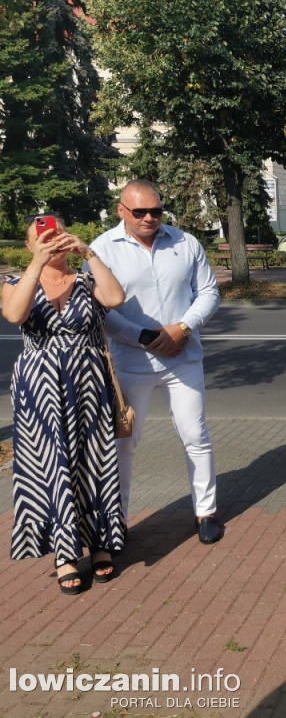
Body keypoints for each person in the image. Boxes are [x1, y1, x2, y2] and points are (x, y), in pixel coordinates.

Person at [87, 180, 223, 544]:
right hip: (131, 362)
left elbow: (209, 291)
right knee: (124, 444)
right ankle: (117, 522)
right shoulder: (102, 249)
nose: (150, 218)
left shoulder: (185, 242)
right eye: (140, 212)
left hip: (183, 357)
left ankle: (206, 512)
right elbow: (98, 308)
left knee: (195, 435)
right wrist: (144, 336)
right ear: (121, 211)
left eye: (156, 211)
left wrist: (183, 328)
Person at [3, 218, 126, 593]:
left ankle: (100, 543)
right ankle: (64, 553)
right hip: (37, 388)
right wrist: (37, 265)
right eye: (41, 240)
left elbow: (116, 299)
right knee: (50, 466)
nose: (51, 243)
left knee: (94, 460)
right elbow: (15, 315)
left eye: (55, 237)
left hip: (88, 383)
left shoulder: (88, 281)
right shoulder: (12, 283)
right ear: (29, 247)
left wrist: (88, 252)